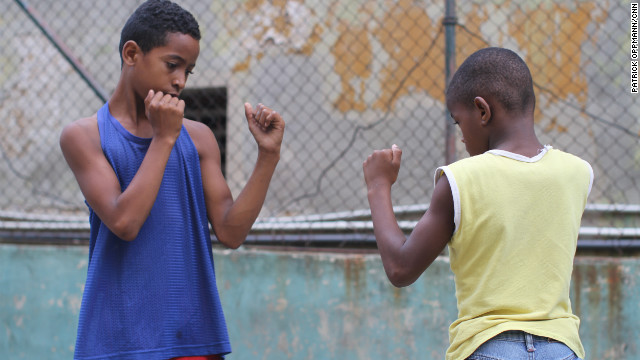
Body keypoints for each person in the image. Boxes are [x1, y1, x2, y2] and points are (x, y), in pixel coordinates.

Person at [59, 1, 284, 359]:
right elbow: (124, 221)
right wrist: (164, 139)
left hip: (192, 335)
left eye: (188, 71)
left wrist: (268, 156)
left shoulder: (198, 138)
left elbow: (231, 231)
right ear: (131, 54)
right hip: (117, 340)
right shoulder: (84, 136)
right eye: (172, 65)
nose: (180, 80)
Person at [362, 47, 591, 360]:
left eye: (458, 123)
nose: (461, 138)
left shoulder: (460, 180)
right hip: (561, 348)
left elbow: (401, 268)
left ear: (482, 111)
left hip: (487, 346)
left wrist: (378, 186)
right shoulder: (577, 173)